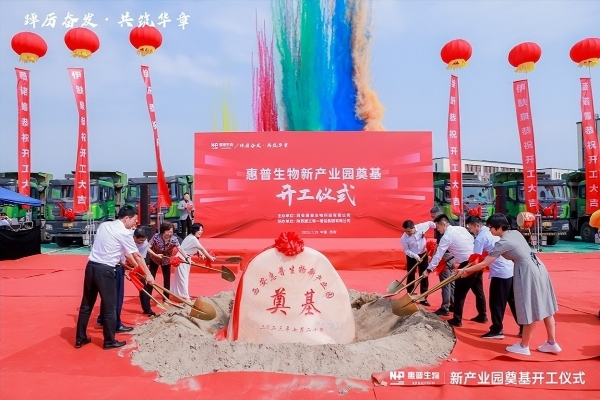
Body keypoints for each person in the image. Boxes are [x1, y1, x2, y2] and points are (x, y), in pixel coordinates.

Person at [459, 214, 561, 356]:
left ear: (499, 228)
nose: (490, 231)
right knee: (546, 307)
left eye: (491, 228)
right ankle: (551, 342)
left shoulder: (502, 243)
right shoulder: (515, 233)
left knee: (529, 308)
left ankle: (524, 346)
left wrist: (465, 270)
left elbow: (484, 263)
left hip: (527, 271)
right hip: (538, 267)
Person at [75, 206, 154, 349]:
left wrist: (135, 268)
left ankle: (80, 338)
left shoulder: (104, 225)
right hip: (105, 271)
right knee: (110, 306)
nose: (135, 224)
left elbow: (124, 253)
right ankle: (109, 341)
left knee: (86, 305)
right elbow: (136, 255)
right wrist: (148, 275)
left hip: (91, 267)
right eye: (134, 220)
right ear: (126, 218)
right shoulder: (124, 233)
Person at [465, 215, 522, 339]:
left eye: (471, 228)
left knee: (496, 303)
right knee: (512, 301)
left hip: (501, 273)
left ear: (477, 226)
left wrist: (465, 271)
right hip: (510, 270)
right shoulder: (509, 234)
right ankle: (523, 326)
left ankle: (497, 329)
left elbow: (477, 259)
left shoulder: (481, 237)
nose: (471, 231)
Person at [423, 214, 485, 328]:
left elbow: (438, 255)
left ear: (443, 224)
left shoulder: (447, 236)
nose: (438, 230)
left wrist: (428, 269)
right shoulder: (460, 228)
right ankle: (483, 315)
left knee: (459, 293)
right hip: (476, 261)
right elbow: (471, 240)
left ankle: (457, 319)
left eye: (438, 227)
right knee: (478, 290)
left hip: (467, 264)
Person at [96, 227, 157, 327]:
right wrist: (127, 271)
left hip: (132, 263)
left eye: (144, 240)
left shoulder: (144, 243)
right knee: (111, 293)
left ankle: (147, 309)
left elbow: (140, 257)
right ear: (134, 237)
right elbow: (125, 255)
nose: (142, 242)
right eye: (140, 240)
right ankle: (103, 319)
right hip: (117, 263)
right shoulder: (126, 236)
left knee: (143, 284)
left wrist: (138, 271)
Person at [141, 221, 189, 315]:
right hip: (155, 259)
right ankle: (147, 300)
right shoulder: (156, 237)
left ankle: (165, 300)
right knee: (151, 279)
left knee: (167, 280)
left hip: (166, 261)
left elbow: (180, 248)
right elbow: (147, 247)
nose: (170, 233)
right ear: (163, 231)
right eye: (168, 231)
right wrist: (155, 254)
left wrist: (186, 257)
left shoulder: (174, 239)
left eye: (171, 231)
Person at [171, 223, 216, 301]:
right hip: (182, 259)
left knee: (181, 278)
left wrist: (201, 255)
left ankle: (178, 294)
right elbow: (201, 248)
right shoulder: (193, 238)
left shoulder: (191, 237)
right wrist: (210, 257)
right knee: (183, 279)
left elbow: (197, 249)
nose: (201, 232)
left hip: (186, 259)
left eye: (202, 230)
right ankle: (186, 297)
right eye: (199, 230)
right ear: (195, 230)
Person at [429, 206, 456, 316]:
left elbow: (440, 246)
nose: (432, 219)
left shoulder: (441, 226)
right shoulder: (452, 223)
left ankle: (445, 307)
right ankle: (453, 304)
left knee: (445, 282)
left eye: (433, 216)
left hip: (446, 256)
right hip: (453, 255)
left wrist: (433, 260)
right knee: (451, 281)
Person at [400, 220, 431, 305]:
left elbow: (431, 224)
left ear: (413, 228)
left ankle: (423, 297)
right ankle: (410, 295)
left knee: (424, 275)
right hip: (412, 256)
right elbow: (406, 250)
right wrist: (416, 256)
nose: (407, 233)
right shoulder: (404, 238)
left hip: (423, 255)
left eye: (409, 231)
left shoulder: (422, 226)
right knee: (411, 275)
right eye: (405, 231)